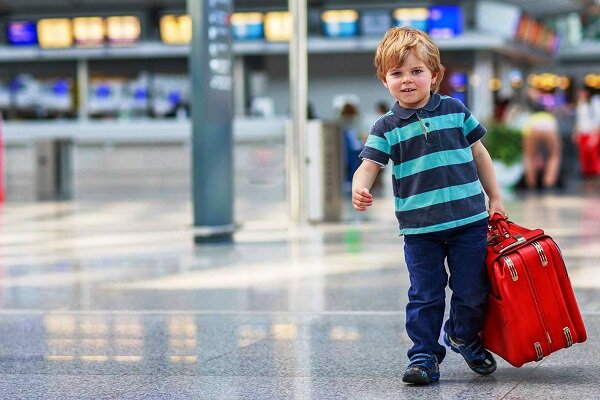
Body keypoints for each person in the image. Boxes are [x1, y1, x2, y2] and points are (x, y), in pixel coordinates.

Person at [351, 26, 505, 385]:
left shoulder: (455, 110)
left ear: (434, 75)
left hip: (469, 221)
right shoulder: (386, 126)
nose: (407, 79)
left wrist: (495, 198)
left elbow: (479, 154)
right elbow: (369, 165)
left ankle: (463, 335)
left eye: (416, 71)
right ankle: (423, 355)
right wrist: (359, 187)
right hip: (421, 229)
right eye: (397, 73)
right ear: (384, 80)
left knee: (472, 290)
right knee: (425, 294)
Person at [521, 91, 562, 189]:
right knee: (554, 156)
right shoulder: (550, 116)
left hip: (533, 125)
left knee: (529, 157)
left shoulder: (530, 116)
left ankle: (531, 183)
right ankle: (549, 183)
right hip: (549, 125)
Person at [572, 87, 600, 177]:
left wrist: (595, 135)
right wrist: (576, 133)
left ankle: (595, 173)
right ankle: (586, 173)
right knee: (584, 155)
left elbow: (597, 120)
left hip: (592, 133)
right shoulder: (580, 106)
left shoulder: (594, 104)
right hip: (582, 134)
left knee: (593, 155)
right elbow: (578, 121)